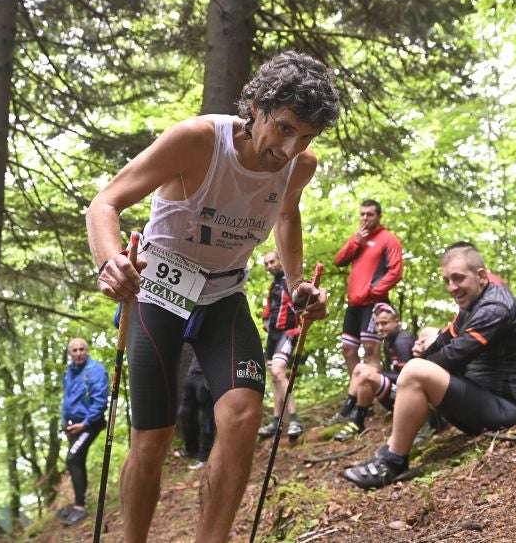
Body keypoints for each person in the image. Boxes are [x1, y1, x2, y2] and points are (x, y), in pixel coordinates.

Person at [86, 51, 338, 542]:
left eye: (306, 136)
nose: (291, 148)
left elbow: (287, 214)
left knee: (243, 418)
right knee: (153, 439)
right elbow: (105, 203)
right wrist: (109, 260)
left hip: (224, 293)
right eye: (284, 128)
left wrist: (295, 282)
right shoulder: (198, 140)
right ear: (256, 107)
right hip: (158, 292)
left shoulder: (299, 165)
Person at [342, 244, 516, 490]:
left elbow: (454, 355)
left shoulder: (494, 308)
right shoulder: (471, 306)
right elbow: (445, 340)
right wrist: (423, 354)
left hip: (515, 409)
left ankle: (393, 460)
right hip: (489, 399)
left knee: (417, 371)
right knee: (419, 365)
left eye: (458, 278)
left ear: (481, 275)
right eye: (447, 280)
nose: (452, 287)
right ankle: (398, 444)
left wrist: (414, 369)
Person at [334, 200, 404, 377]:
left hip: (373, 302)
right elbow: (339, 261)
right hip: (354, 303)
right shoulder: (358, 237)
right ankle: (355, 395)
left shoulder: (389, 239)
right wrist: (355, 242)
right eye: (362, 214)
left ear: (379, 216)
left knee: (370, 349)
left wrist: (373, 291)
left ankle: (370, 397)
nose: (365, 218)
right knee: (348, 349)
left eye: (370, 214)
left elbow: (395, 271)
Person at [331, 303, 414, 442]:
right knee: (359, 368)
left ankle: (358, 421)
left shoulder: (402, 341)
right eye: (377, 324)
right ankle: (347, 410)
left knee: (367, 375)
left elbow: (407, 376)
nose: (380, 328)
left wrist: (378, 375)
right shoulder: (389, 341)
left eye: (385, 323)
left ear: (397, 321)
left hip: (411, 393)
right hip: (400, 390)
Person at [58, 337, 108, 526]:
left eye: (82, 349)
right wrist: (66, 425)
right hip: (73, 425)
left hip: (90, 424)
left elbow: (100, 401)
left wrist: (85, 424)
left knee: (72, 458)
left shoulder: (95, 370)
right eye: (74, 350)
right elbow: (67, 400)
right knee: (77, 460)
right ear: (69, 353)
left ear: (87, 351)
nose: (78, 353)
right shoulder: (69, 372)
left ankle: (80, 508)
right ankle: (78, 504)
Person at [257, 250, 304, 440]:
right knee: (275, 378)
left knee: (278, 371)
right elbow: (270, 307)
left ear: (281, 260)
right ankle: (277, 422)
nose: (269, 266)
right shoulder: (274, 284)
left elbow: (305, 305)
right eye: (266, 264)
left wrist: (299, 327)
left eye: (272, 262)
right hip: (273, 336)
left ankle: (295, 420)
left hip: (288, 332)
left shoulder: (292, 281)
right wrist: (266, 319)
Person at [174, 352, 215, 469]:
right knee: (184, 413)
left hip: (206, 376)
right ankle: (191, 449)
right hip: (192, 375)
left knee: (205, 418)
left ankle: (204, 457)